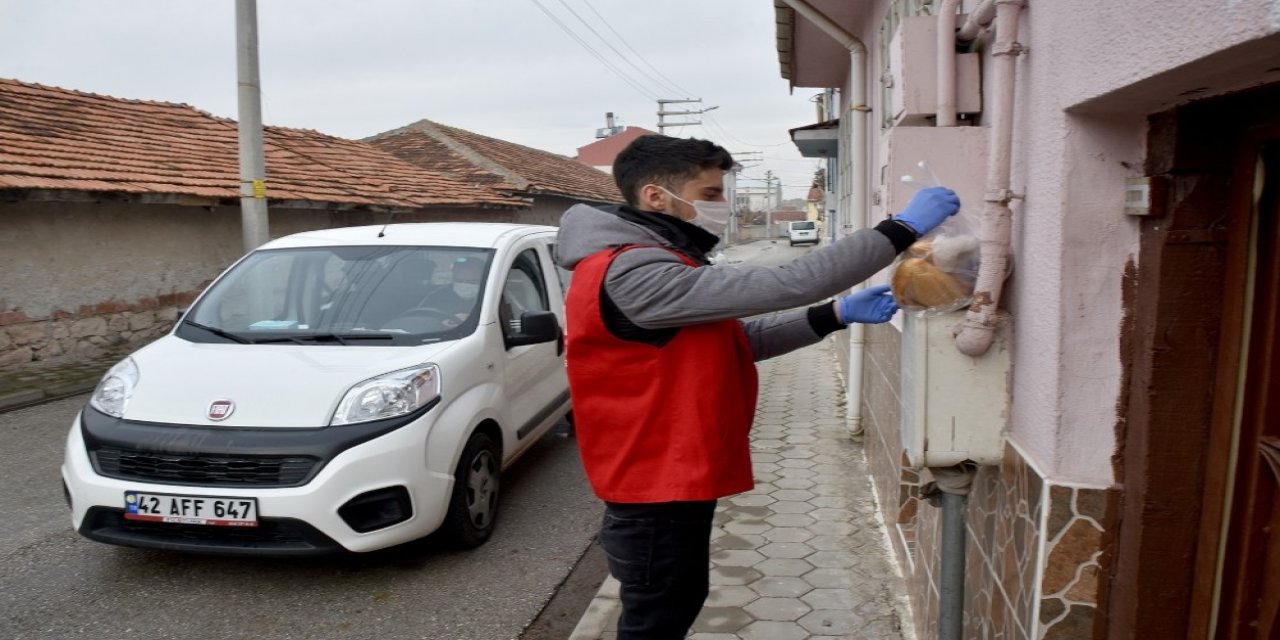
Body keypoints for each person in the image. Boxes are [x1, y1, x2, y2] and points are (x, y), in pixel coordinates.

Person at [553, 134, 959, 639]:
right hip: (652, 488)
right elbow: (790, 280)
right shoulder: (630, 271)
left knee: (672, 606)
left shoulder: (659, 262)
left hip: (667, 477)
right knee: (657, 620)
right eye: (710, 194)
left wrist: (831, 315)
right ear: (656, 197)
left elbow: (735, 343)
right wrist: (899, 229)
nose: (723, 206)